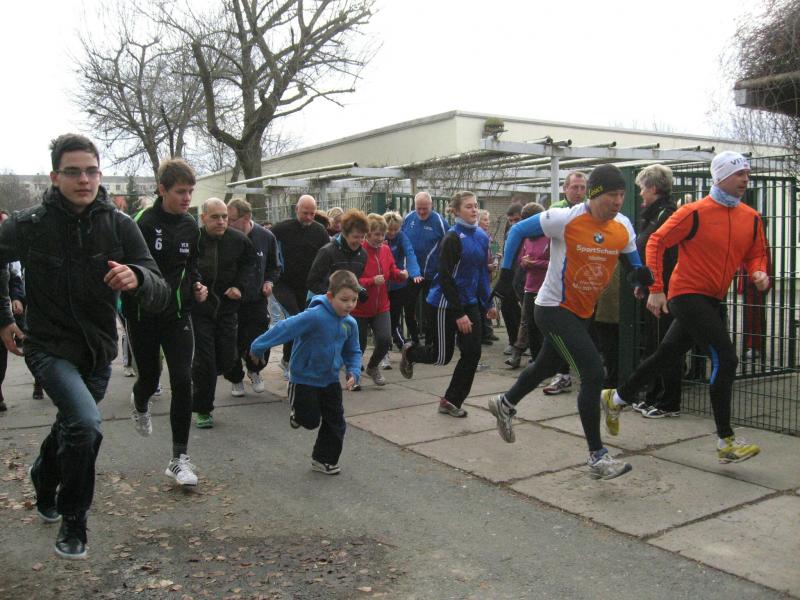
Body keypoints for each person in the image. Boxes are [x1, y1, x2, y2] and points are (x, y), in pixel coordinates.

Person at [0, 133, 169, 559]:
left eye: (91, 171)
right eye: (73, 172)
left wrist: (137, 276)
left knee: (73, 425)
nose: (84, 180)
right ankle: (74, 521)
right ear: (55, 177)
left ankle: (43, 474)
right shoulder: (29, 225)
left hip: (98, 351)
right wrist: (3, 317)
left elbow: (159, 287)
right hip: (47, 346)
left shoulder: (119, 225)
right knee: (86, 425)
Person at [602, 152, 769, 463]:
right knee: (726, 358)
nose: (746, 179)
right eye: (739, 174)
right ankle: (726, 440)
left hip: (713, 297)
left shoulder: (751, 217)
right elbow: (656, 242)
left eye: (747, 173)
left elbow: (756, 253)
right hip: (686, 293)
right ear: (720, 177)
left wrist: (759, 271)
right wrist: (656, 289)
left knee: (667, 354)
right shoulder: (694, 212)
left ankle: (617, 396)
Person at [488, 164, 651, 480]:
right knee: (593, 372)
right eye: (612, 195)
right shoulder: (565, 218)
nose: (618, 201)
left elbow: (633, 264)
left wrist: (639, 280)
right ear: (594, 194)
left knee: (545, 366)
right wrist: (506, 275)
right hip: (552, 308)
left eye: (622, 195)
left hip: (582, 311)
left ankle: (505, 403)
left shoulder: (623, 226)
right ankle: (597, 457)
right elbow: (519, 231)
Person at [123, 158, 208, 486]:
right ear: (162, 190)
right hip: (143, 314)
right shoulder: (141, 223)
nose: (187, 198)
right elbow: (126, 267)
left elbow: (192, 265)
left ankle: (179, 459)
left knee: (183, 379)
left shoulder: (190, 226)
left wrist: (197, 285)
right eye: (180, 192)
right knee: (150, 377)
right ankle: (140, 400)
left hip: (178, 314)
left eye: (190, 192)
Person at [249, 270, 362, 475]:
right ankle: (298, 412)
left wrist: (353, 371)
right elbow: (284, 328)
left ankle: (323, 459)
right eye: (344, 300)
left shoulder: (350, 323)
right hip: (304, 378)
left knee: (336, 422)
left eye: (354, 300)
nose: (349, 305)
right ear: (330, 296)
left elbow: (353, 350)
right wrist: (258, 346)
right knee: (310, 421)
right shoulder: (315, 316)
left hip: (330, 379)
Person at [400, 191, 496, 417]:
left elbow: (482, 272)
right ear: (456, 211)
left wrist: (489, 302)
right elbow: (445, 277)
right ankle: (411, 352)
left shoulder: (481, 236)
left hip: (469, 302)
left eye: (475, 206)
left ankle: (451, 400)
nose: (474, 210)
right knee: (441, 356)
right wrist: (459, 313)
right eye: (468, 206)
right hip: (444, 303)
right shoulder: (452, 238)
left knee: (472, 353)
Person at [191, 198, 256, 429]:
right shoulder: (194, 239)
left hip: (228, 308)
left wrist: (240, 286)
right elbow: (183, 267)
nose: (221, 221)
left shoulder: (238, 240)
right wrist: (195, 285)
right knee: (205, 362)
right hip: (200, 309)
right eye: (215, 217)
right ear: (203, 218)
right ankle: (203, 409)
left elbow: (250, 265)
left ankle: (206, 375)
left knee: (228, 357)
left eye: (224, 217)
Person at [630, 164, 681, 418]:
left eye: (642, 188)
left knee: (665, 345)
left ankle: (668, 402)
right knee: (654, 343)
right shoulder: (653, 215)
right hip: (654, 289)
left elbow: (664, 253)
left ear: (652, 188)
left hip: (667, 291)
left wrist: (657, 288)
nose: (640, 193)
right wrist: (643, 284)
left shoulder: (667, 214)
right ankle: (653, 395)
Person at [224, 198, 280, 397]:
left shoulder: (266, 237)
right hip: (231, 300)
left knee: (259, 337)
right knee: (231, 341)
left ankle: (255, 369)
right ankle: (235, 378)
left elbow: (274, 266)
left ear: (246, 217)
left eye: (231, 219)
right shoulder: (225, 237)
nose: (227, 223)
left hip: (256, 299)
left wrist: (269, 281)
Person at [270, 195, 330, 374]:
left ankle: (288, 358)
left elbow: (328, 255)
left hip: (307, 285)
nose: (309, 217)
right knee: (295, 318)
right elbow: (264, 242)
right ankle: (291, 361)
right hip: (284, 284)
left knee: (303, 321)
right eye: (305, 213)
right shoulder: (281, 228)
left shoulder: (320, 231)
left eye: (312, 213)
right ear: (296, 209)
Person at [541, 171, 588, 395]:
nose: (579, 192)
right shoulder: (558, 209)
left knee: (580, 333)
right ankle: (563, 374)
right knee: (558, 334)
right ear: (565, 189)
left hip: (585, 283)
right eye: (574, 187)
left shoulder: (591, 210)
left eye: (582, 187)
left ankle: (579, 374)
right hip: (560, 285)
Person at [352, 214, 408, 386]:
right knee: (358, 346)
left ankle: (372, 367)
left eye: (383, 234)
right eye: (376, 234)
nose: (380, 238)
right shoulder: (358, 251)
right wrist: (370, 281)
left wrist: (400, 274)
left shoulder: (385, 250)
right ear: (367, 233)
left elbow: (391, 270)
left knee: (384, 340)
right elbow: (351, 279)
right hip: (360, 307)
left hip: (381, 305)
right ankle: (353, 375)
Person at [401, 191, 448, 345]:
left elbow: (449, 243)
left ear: (431, 205)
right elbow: (400, 239)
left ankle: (430, 342)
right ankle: (415, 340)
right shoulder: (409, 218)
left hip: (431, 274)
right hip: (412, 274)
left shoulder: (439, 221)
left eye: (425, 208)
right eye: (418, 208)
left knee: (430, 310)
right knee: (408, 308)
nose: (421, 212)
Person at [506, 202, 547, 369]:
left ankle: (547, 361)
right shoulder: (525, 238)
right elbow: (520, 260)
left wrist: (535, 263)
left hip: (546, 289)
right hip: (528, 286)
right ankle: (535, 361)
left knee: (544, 326)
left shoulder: (550, 237)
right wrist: (524, 262)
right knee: (529, 324)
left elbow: (556, 263)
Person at [384, 211, 421, 367]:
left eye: (395, 229)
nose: (392, 233)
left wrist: (415, 272)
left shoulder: (402, 237)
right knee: (383, 320)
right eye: (389, 229)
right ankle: (385, 352)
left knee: (394, 319)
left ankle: (399, 347)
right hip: (382, 285)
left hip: (398, 284)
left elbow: (410, 253)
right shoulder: (379, 237)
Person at [306, 208, 369, 297]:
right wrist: (334, 296)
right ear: (345, 234)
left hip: (345, 302)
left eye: (362, 237)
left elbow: (354, 280)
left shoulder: (362, 255)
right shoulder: (327, 252)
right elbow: (312, 283)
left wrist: (360, 289)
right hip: (322, 301)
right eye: (355, 237)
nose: (360, 241)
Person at [499, 203, 523, 356]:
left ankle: (525, 342)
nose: (514, 223)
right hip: (510, 273)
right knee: (507, 305)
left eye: (517, 220)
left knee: (527, 311)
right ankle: (513, 340)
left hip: (525, 275)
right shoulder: (510, 231)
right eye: (511, 220)